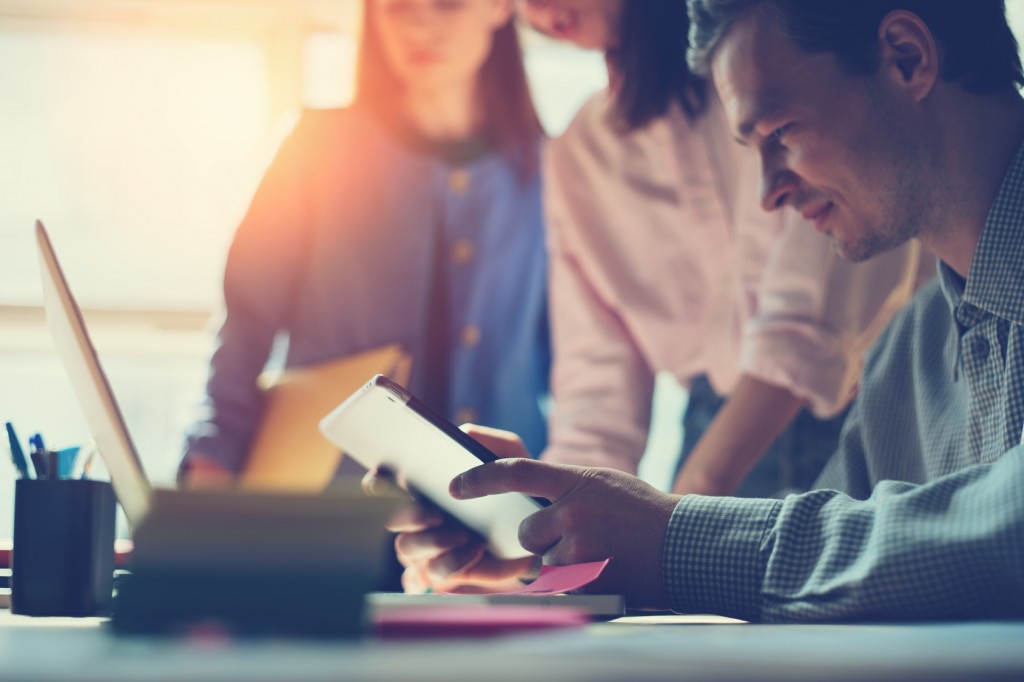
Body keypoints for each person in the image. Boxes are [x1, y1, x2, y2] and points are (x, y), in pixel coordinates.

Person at [385, 0, 1024, 620]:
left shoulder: (893, 363)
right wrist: (548, 551)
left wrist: (670, 537)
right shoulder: (905, 361)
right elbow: (844, 568)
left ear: (907, 58)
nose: (770, 194)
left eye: (782, 133)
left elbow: (1002, 530)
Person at [518, 0, 920, 499]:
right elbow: (596, 392)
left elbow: (810, 325)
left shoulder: (778, 69)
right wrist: (545, 538)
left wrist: (679, 513)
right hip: (707, 441)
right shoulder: (578, 153)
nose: (532, 5)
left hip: (868, 419)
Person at [179, 0, 551, 485]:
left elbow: (583, 366)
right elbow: (246, 321)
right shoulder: (315, 146)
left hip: (496, 516)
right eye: (396, 7)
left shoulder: (554, 172)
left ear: (502, 7)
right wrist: (212, 456)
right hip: (328, 504)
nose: (419, 23)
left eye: (447, 4)